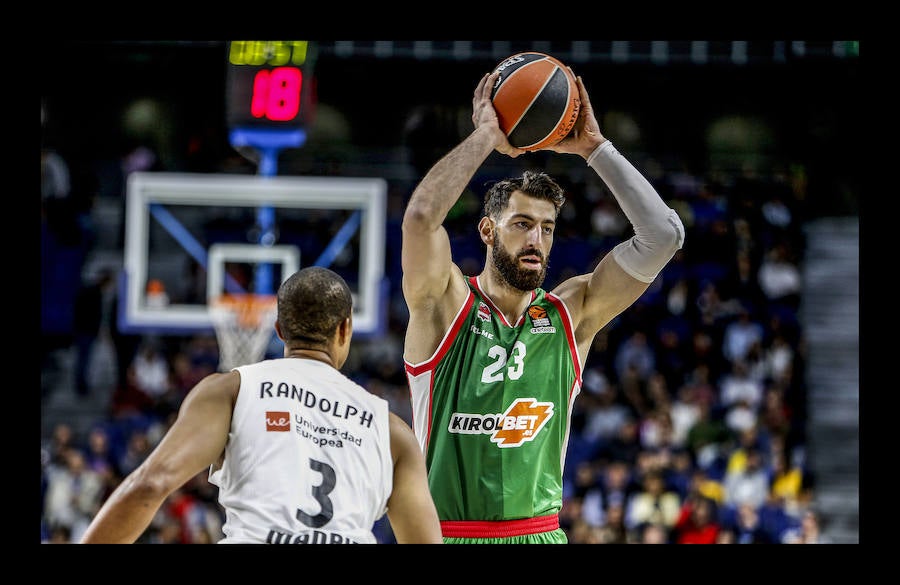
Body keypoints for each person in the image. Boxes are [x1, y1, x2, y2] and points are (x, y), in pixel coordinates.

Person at [401, 69, 684, 543]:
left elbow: (665, 236)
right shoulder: (445, 303)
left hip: (540, 533)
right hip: (450, 533)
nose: (536, 239)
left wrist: (595, 149)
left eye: (547, 228)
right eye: (521, 224)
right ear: (488, 231)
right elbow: (421, 218)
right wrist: (487, 136)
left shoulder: (570, 313)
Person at [80, 266, 443, 544]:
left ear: (280, 329)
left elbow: (151, 484)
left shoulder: (232, 390)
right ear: (346, 329)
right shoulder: (392, 429)